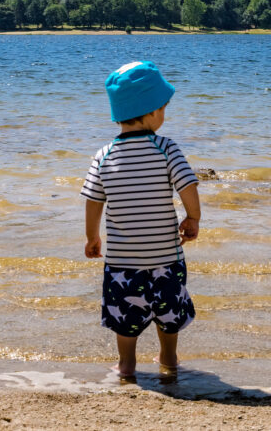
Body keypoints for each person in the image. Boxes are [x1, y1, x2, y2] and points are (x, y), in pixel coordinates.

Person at [80, 61, 201, 378]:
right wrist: (193, 216)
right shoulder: (165, 148)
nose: (164, 114)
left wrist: (92, 237)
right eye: (163, 108)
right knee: (169, 315)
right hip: (165, 259)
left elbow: (94, 200)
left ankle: (127, 364)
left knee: (124, 317)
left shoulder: (103, 154)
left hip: (122, 262)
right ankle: (169, 359)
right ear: (151, 112)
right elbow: (187, 184)